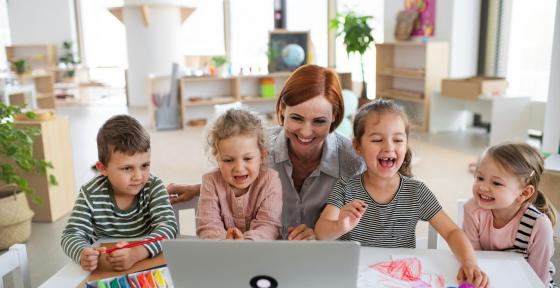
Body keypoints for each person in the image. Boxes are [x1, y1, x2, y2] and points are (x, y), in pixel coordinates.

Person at [167, 64, 365, 240]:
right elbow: (237, 176)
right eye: (296, 118)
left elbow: (364, 221)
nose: (305, 132)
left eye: (319, 121)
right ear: (281, 110)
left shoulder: (352, 161)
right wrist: (200, 189)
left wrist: (321, 236)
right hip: (265, 253)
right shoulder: (256, 146)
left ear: (335, 117)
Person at [315, 99, 489, 288]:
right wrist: (341, 225)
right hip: (355, 279)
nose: (389, 147)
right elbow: (321, 233)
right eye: (377, 140)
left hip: (401, 281)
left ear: (406, 145)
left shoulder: (417, 192)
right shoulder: (345, 188)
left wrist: (469, 262)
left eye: (398, 140)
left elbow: (452, 231)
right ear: (357, 146)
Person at [61, 115, 178, 272]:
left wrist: (136, 253)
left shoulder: (154, 186)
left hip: (146, 264)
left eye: (145, 165)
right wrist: (82, 252)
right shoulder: (90, 193)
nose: (138, 176)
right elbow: (71, 234)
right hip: (106, 266)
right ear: (103, 168)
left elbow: (168, 228)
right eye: (127, 168)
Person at [463, 143, 560, 288]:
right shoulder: (473, 210)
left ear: (524, 193)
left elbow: (539, 280)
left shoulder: (539, 226)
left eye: (496, 183)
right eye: (480, 178)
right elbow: (476, 259)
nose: (483, 187)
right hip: (490, 282)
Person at [196, 108, 282, 240]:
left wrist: (245, 243)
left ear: (261, 156)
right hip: (224, 253)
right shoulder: (210, 181)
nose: (239, 168)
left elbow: (269, 225)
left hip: (262, 254)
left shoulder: (270, 180)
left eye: (247, 159)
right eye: (228, 160)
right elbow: (208, 225)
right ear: (217, 158)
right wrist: (226, 241)